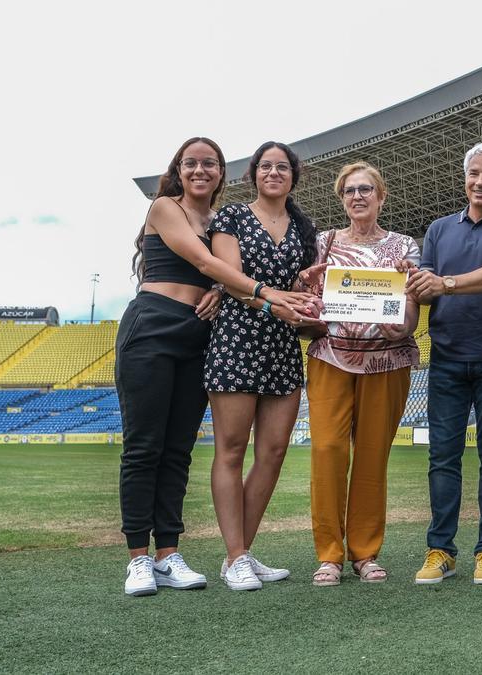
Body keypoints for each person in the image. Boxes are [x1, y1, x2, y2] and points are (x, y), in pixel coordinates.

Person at [117, 137, 314, 597]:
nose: (200, 170)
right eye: (192, 163)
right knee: (144, 448)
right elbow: (206, 261)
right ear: (179, 169)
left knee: (178, 450)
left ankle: (168, 554)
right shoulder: (167, 207)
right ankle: (138, 559)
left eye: (210, 164)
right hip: (153, 325)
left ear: (223, 173)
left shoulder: (218, 219)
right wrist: (265, 295)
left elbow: (224, 271)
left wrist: (225, 291)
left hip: (198, 334)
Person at [402, 143, 482, 585]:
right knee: (443, 457)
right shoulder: (439, 229)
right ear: (465, 179)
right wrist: (412, 277)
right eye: (473, 173)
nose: (480, 181)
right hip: (446, 357)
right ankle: (440, 549)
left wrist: (445, 283)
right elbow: (422, 288)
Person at [205, 141, 324, 591]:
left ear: (294, 176)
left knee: (272, 452)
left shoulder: (303, 226)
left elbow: (294, 286)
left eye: (282, 167)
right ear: (253, 174)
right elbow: (231, 281)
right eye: (265, 166)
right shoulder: (231, 217)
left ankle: (241, 554)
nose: (273, 173)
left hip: (281, 343)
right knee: (231, 451)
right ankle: (234, 555)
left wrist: (303, 284)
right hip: (237, 337)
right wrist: (275, 303)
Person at [303, 162, 421, 586]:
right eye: (350, 190)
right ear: (342, 198)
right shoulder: (323, 243)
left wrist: (403, 325)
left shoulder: (404, 246)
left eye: (366, 189)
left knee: (372, 457)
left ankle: (365, 553)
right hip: (331, 357)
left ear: (381, 195)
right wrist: (308, 297)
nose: (358, 196)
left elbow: (410, 306)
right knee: (328, 452)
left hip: (386, 362)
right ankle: (329, 555)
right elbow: (307, 296)